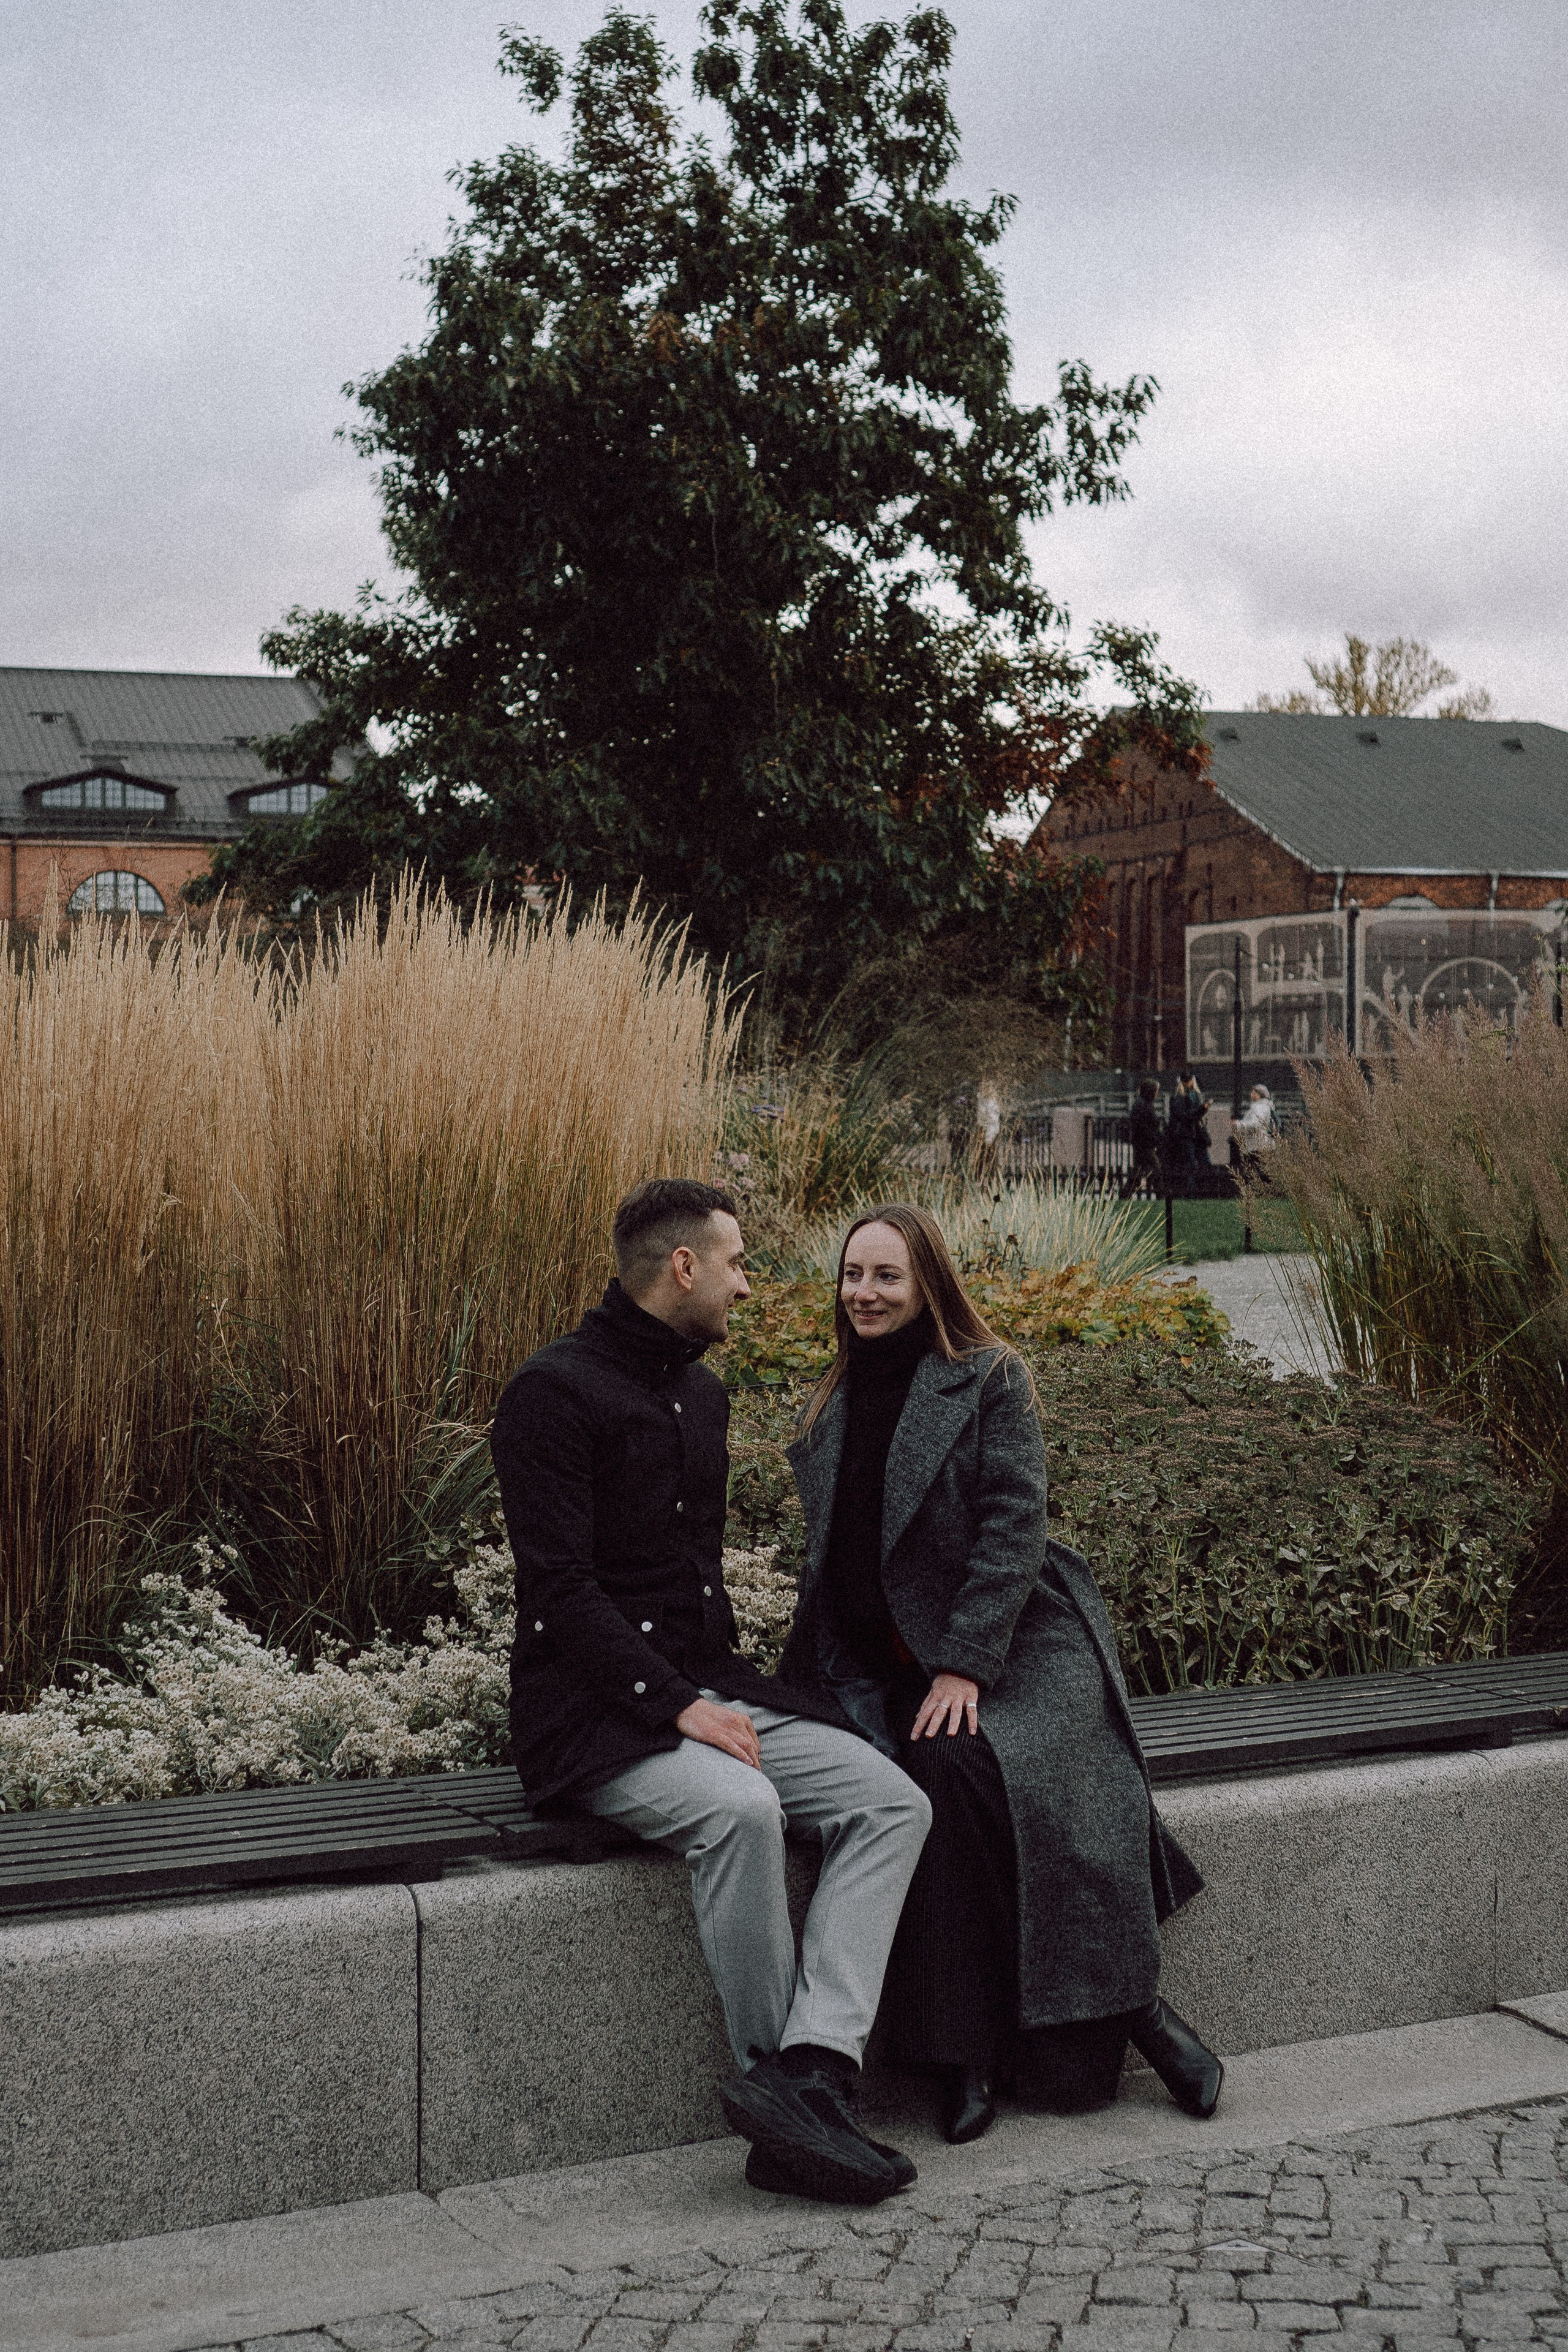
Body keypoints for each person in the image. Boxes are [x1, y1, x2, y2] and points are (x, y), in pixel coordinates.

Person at [490, 1178, 932, 2209]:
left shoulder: (703, 1394)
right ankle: (785, 2092)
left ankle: (808, 2075)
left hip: (712, 1689)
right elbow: (557, 1590)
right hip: (590, 1715)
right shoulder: (551, 1392)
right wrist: (671, 1703)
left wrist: (719, 1696)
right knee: (745, 1811)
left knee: (892, 1800)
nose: (747, 1282)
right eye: (735, 1262)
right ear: (682, 1266)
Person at [778, 1203, 1223, 2146]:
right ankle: (1080, 2029)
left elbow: (1013, 1524)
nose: (864, 1292)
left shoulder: (987, 1377)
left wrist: (964, 1668)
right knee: (924, 1780)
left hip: (1019, 1645)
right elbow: (832, 1564)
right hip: (880, 1668)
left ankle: (998, 2050)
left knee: (962, 1772)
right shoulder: (830, 1402)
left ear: (927, 1283)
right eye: (853, 1275)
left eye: (886, 1277)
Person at [1166, 1070, 1211, 1197]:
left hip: (1190, 1133)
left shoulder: (1180, 1096)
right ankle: (1194, 1192)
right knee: (1194, 1163)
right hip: (1189, 1133)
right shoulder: (1186, 1096)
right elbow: (1187, 1116)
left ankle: (1195, 1192)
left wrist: (1200, 1111)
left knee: (1195, 1163)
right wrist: (1202, 1110)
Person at [1123, 1079, 1164, 1197]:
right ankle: (1161, 1195)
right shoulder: (1144, 1106)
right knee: (1156, 1169)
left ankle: (1126, 1194)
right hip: (1145, 1145)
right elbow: (1146, 1127)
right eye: (1156, 1090)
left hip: (1142, 1144)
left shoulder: (1141, 1104)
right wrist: (1155, 1139)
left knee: (1138, 1172)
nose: (1157, 1093)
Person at [1232, 1082, 1276, 1181]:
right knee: (1260, 1172)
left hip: (1258, 1145)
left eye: (1253, 1092)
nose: (1251, 1094)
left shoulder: (1260, 1107)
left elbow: (1255, 1124)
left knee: (1256, 1173)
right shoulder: (1261, 1107)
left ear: (1259, 1095)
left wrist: (1238, 1124)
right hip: (1259, 1144)